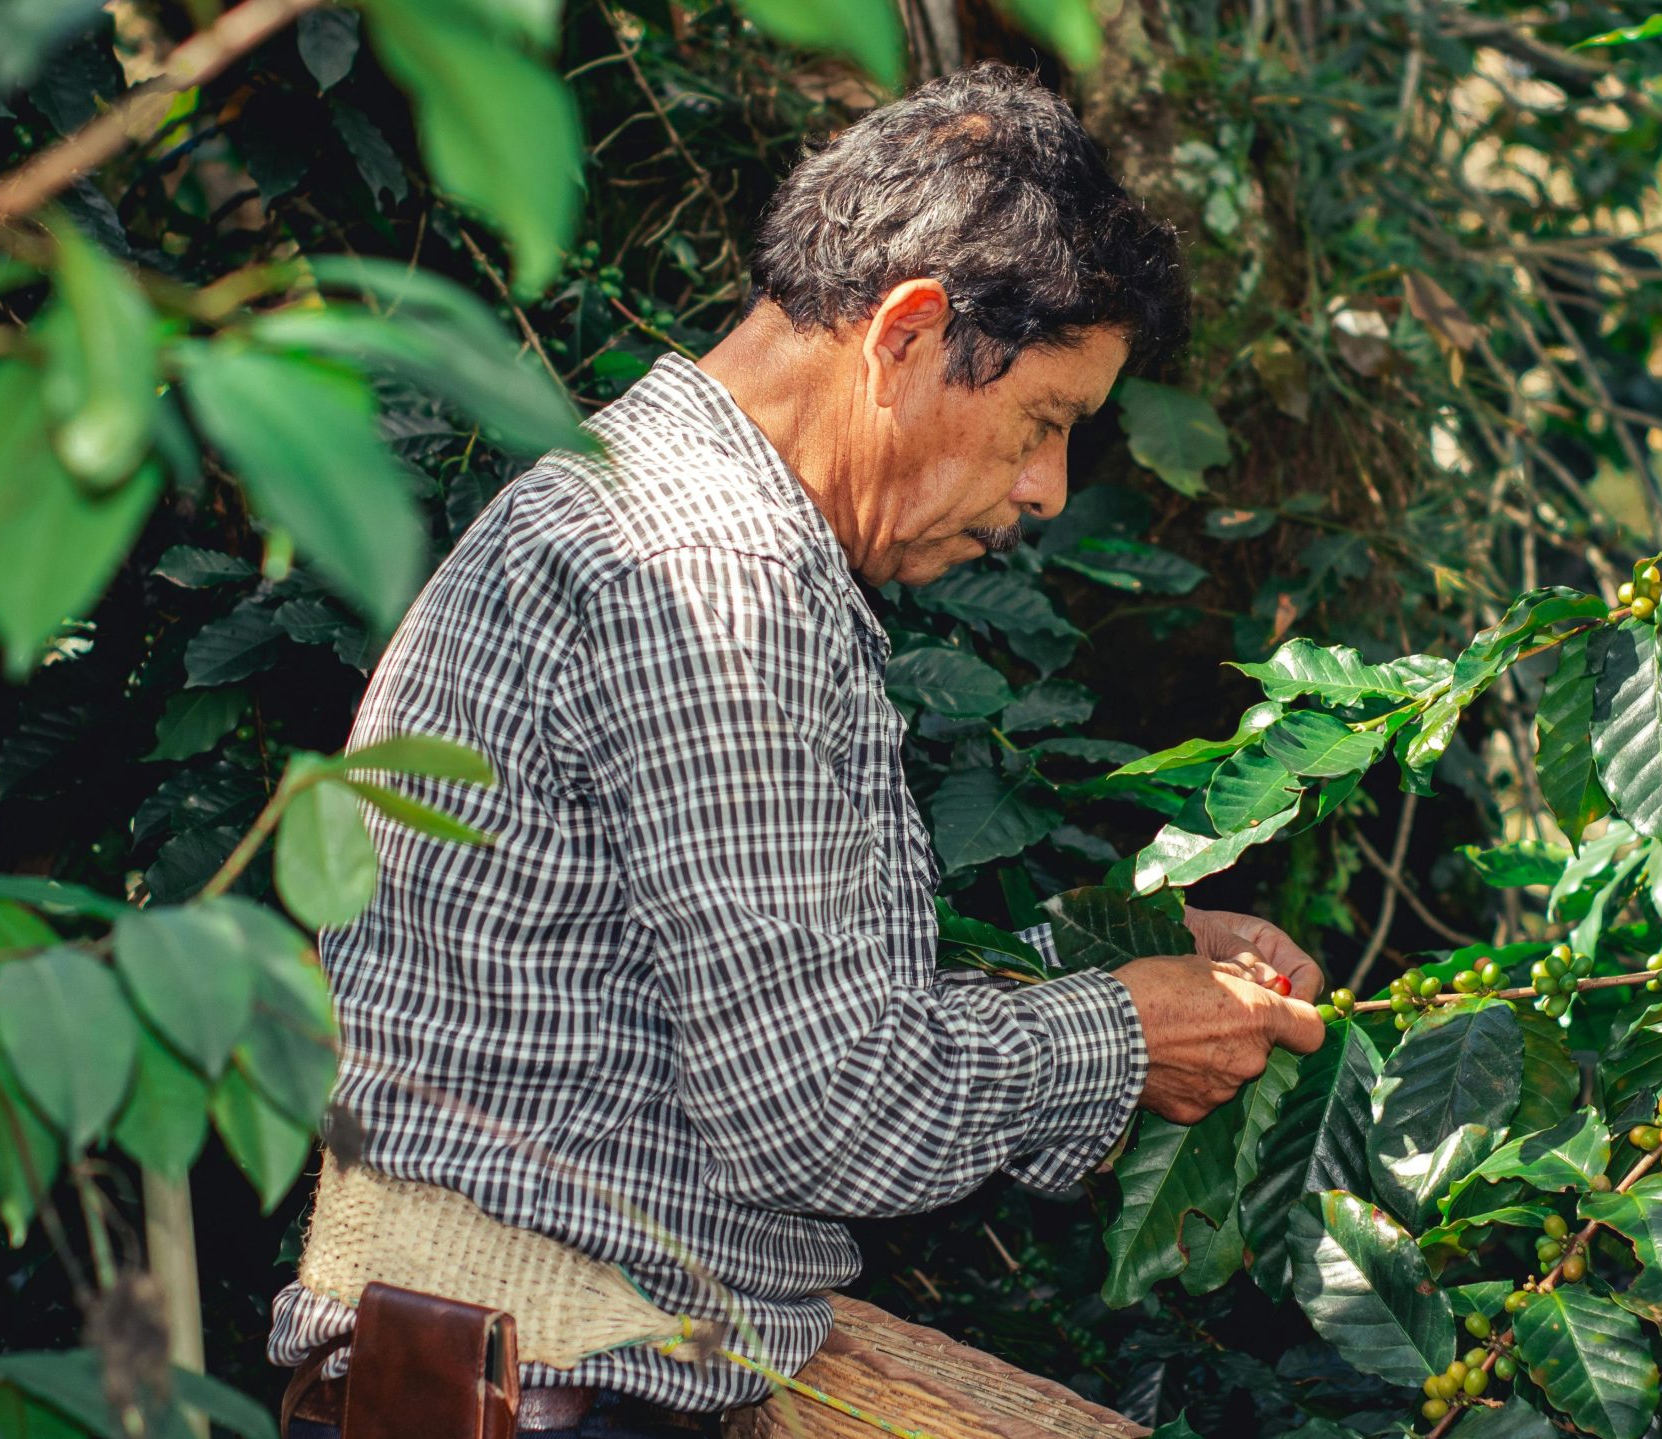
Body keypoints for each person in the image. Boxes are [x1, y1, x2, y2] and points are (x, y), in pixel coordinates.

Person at [268, 61, 1327, 1435]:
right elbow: (825, 1106)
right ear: (906, 334)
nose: (1046, 491)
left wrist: (1121, 971)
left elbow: (729, 1002)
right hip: (538, 1391)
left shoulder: (655, 500)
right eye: (1046, 424)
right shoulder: (718, 572)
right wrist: (1124, 1034)